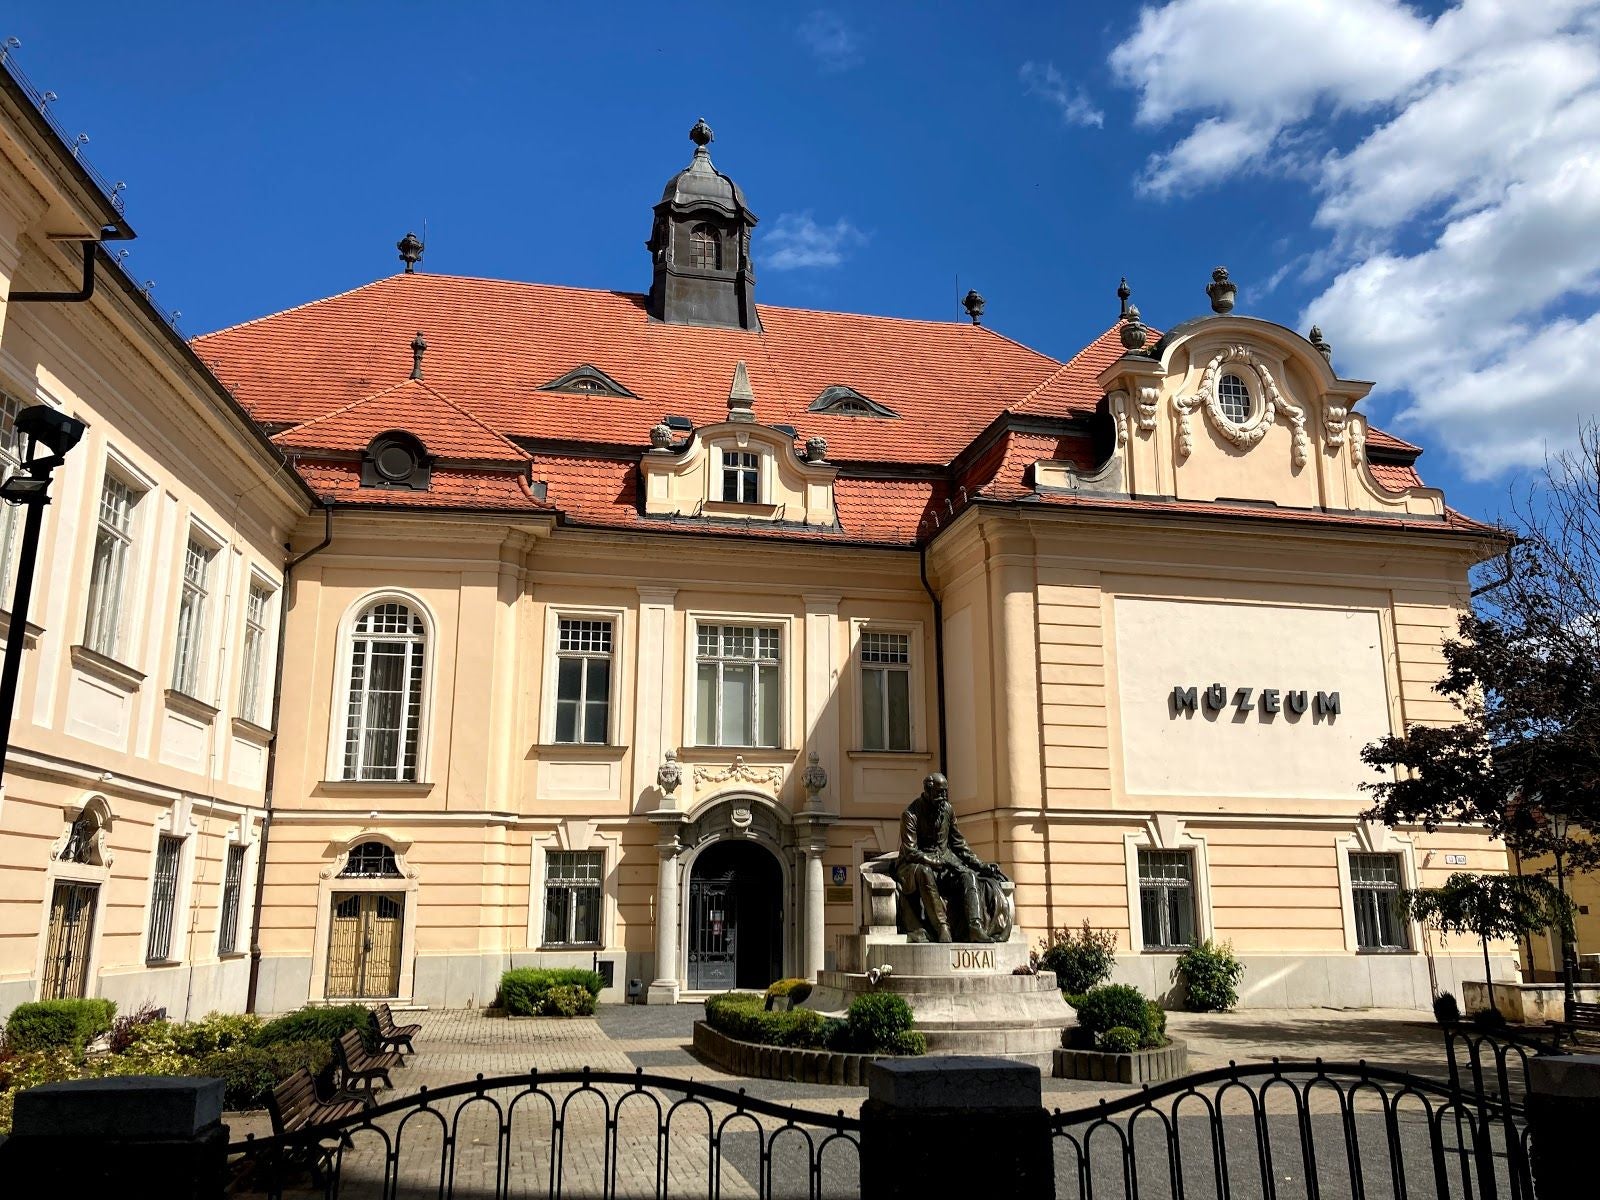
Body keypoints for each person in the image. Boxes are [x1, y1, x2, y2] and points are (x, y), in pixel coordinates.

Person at [894, 773, 1007, 943]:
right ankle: (942, 927)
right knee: (925, 872)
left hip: (943, 865)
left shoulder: (947, 809)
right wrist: (934, 861)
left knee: (968, 875)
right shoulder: (910, 814)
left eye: (946, 792)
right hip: (914, 867)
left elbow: (959, 845)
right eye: (940, 793)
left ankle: (975, 927)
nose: (944, 797)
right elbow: (910, 851)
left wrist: (980, 865)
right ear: (928, 790)